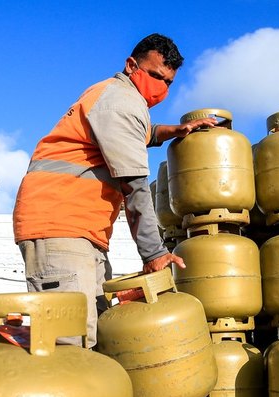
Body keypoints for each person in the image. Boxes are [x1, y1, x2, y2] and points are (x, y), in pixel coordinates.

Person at [13, 33, 215, 348]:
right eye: (154, 76)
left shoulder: (114, 97)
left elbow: (131, 133)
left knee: (96, 339)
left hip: (82, 230)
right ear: (131, 65)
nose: (160, 88)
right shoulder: (121, 102)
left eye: (168, 82)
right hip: (59, 225)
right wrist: (154, 253)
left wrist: (166, 131)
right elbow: (134, 187)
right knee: (72, 344)